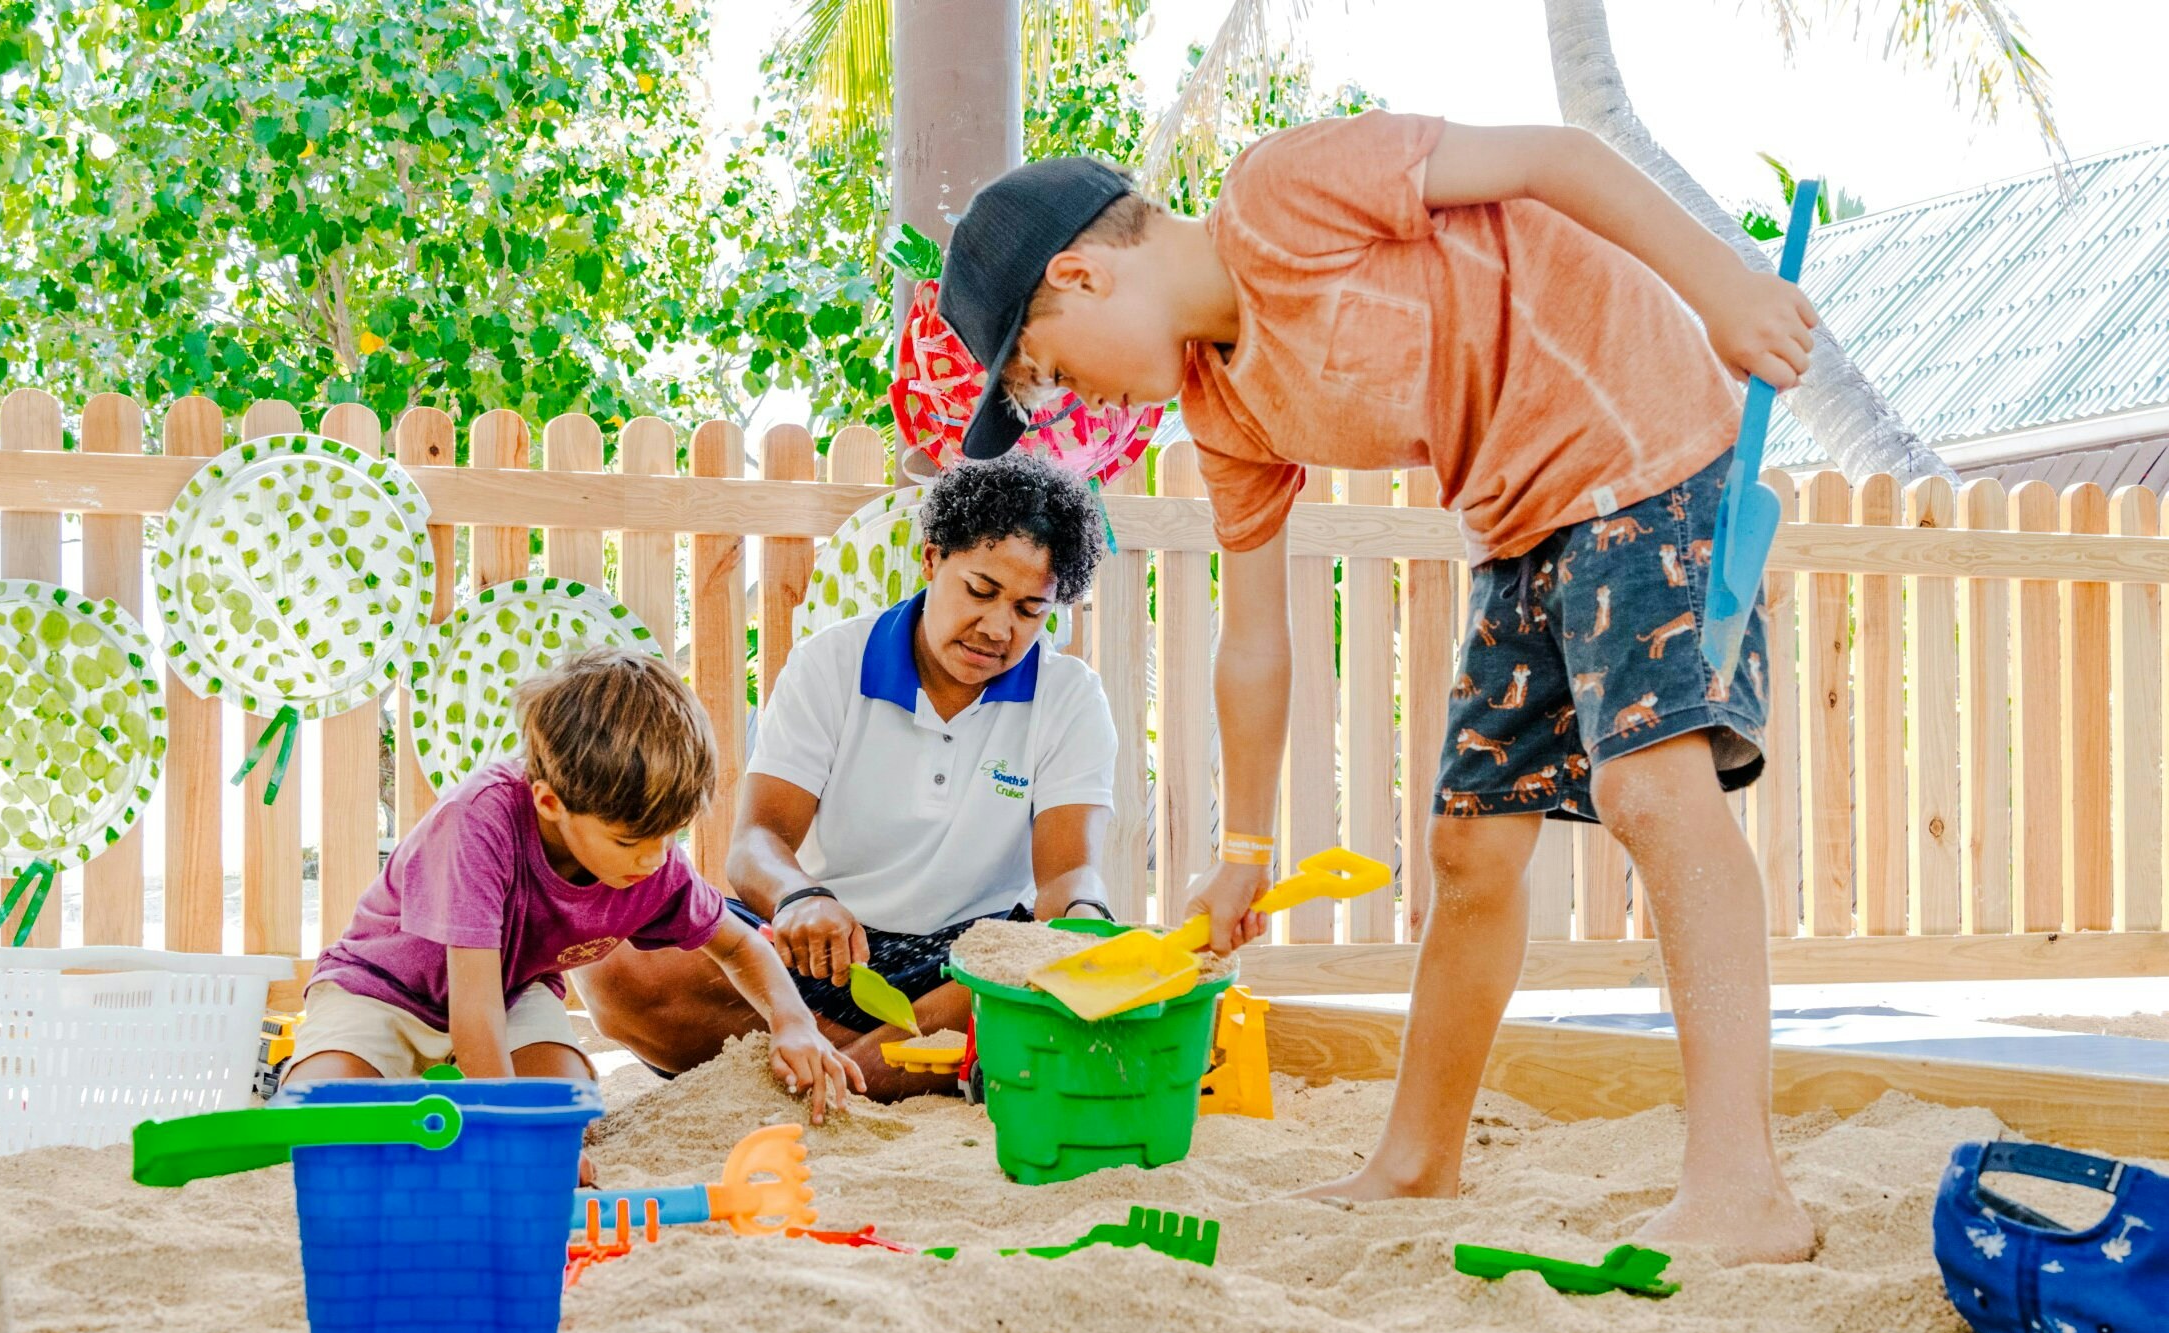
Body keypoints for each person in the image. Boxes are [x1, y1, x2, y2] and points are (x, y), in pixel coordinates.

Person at [938, 113, 1820, 1265]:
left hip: (1645, 441)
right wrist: (1244, 852)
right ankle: (1416, 1162)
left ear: (1082, 273)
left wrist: (1723, 288)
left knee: (1653, 794)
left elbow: (1549, 160)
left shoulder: (1281, 196)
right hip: (1520, 518)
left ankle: (1741, 1190)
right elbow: (1253, 643)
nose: (1074, 404)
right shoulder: (1224, 408)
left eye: (1050, 369)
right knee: (1470, 849)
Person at [576, 452, 1119, 1095]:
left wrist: (1085, 921)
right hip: (829, 950)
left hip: (967, 966)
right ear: (932, 558)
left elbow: (1065, 877)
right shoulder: (830, 663)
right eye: (981, 590)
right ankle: (903, 1064)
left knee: (1025, 968)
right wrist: (802, 898)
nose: (999, 627)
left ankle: (833, 1071)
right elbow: (755, 847)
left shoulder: (1071, 697)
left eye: (1031, 610)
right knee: (612, 958)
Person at [284, 649, 863, 1168]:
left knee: (569, 1121)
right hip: (382, 992)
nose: (653, 860)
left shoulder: (649, 856)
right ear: (550, 801)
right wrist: (508, 1137)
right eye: (628, 842)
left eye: (670, 837)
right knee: (325, 1127)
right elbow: (473, 1013)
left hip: (513, 994)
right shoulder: (475, 823)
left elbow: (738, 944)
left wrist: (794, 1023)